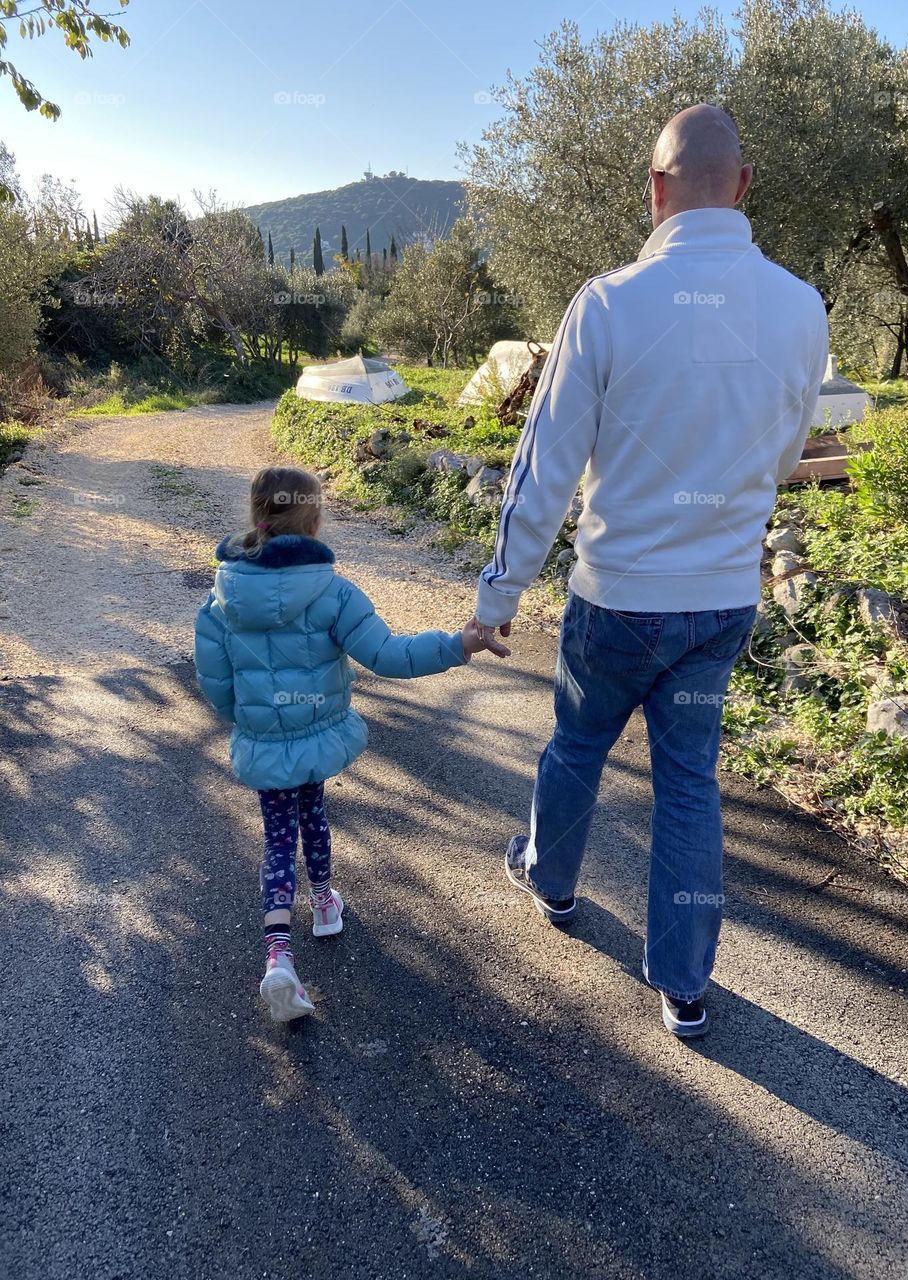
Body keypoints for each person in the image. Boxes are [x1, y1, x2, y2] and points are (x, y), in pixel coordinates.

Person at [470, 104, 829, 1038]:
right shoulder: (802, 307)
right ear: (743, 185)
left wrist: (498, 595)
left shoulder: (607, 303)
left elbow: (544, 464)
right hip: (721, 606)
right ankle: (684, 985)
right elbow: (787, 456)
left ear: (654, 190)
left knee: (578, 745)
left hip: (616, 602)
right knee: (689, 784)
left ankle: (550, 883)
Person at [195, 465, 498, 1022]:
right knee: (314, 812)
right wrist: (461, 643)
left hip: (266, 741)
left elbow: (215, 684)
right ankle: (326, 901)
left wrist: (252, 722)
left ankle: (278, 955)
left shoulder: (221, 600)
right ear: (314, 521)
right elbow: (390, 656)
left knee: (277, 837)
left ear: (257, 517)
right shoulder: (334, 594)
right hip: (317, 735)